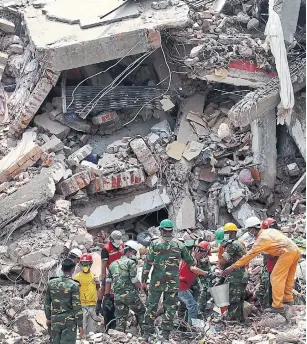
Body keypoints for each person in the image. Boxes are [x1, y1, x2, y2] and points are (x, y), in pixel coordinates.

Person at [222, 216, 301, 314]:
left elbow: (249, 256)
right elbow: (278, 242)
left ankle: (277, 305)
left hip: (287, 252)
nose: (249, 233)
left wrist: (232, 267)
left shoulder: (261, 239)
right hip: (295, 250)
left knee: (275, 277)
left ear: (252, 229)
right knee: (288, 276)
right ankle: (288, 299)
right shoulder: (269, 231)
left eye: (248, 230)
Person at [141, 219, 199, 341]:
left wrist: (143, 281)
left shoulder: (155, 244)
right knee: (170, 307)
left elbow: (147, 264)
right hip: (172, 282)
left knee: (151, 306)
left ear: (161, 230)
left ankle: (146, 334)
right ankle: (165, 335)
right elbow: (190, 262)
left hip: (156, 282)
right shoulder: (179, 244)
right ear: (171, 230)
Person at [105, 240, 145, 333]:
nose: (133, 255)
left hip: (118, 296)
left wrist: (107, 296)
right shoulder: (130, 263)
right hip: (130, 295)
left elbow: (108, 281)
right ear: (129, 251)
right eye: (134, 253)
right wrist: (142, 287)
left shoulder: (112, 264)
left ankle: (119, 337)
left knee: (120, 318)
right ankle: (145, 334)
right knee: (141, 311)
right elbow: (134, 280)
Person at [44, 258, 84, 344]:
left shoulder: (51, 283)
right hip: (69, 322)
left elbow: (47, 303)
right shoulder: (74, 285)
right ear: (73, 269)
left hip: (55, 321)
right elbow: (77, 306)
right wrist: (80, 325)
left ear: (62, 269)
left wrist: (48, 318)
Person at [219, 222, 248, 322]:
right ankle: (240, 321)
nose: (225, 235)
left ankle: (233, 322)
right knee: (239, 300)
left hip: (236, 276)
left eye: (227, 233)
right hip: (242, 275)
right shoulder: (240, 243)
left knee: (233, 300)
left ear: (232, 233)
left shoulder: (232, 245)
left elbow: (223, 260)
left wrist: (221, 267)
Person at [96, 230, 124, 327]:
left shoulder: (121, 245)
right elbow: (103, 266)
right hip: (111, 273)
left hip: (122, 272)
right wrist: (103, 278)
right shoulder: (106, 249)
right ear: (111, 240)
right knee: (107, 293)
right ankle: (100, 304)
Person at [178, 241, 211, 324]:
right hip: (181, 286)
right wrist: (206, 273)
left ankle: (183, 325)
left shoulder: (195, 260)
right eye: (205, 254)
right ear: (200, 251)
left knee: (185, 306)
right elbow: (193, 269)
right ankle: (191, 328)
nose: (205, 256)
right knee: (192, 305)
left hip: (183, 286)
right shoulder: (191, 259)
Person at [74, 253, 100, 336]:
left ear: (91, 264)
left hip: (92, 305)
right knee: (82, 330)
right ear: (80, 264)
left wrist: (98, 283)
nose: (85, 266)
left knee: (92, 331)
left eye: (87, 264)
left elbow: (97, 288)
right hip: (82, 306)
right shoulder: (77, 277)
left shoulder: (94, 276)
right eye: (83, 264)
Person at [256, 218, 280, 308]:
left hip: (274, 266)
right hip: (270, 265)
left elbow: (272, 255)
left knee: (269, 286)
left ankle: (270, 305)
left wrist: (262, 251)